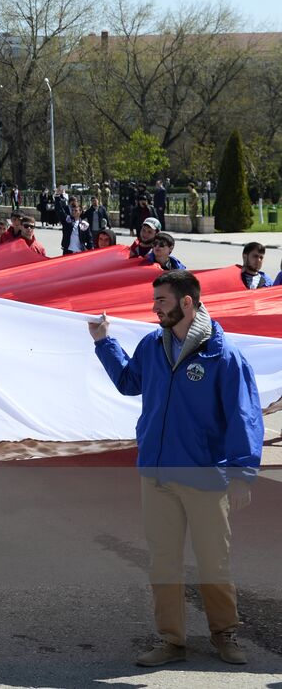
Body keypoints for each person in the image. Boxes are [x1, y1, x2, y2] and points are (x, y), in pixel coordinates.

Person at [89, 271, 262, 667]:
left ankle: (225, 633)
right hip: (157, 473)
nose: (154, 308)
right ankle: (171, 639)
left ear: (187, 302)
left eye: (161, 301)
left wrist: (241, 474)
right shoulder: (153, 345)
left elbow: (244, 416)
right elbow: (129, 383)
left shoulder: (224, 355)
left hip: (205, 476)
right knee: (163, 561)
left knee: (212, 561)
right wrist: (104, 342)